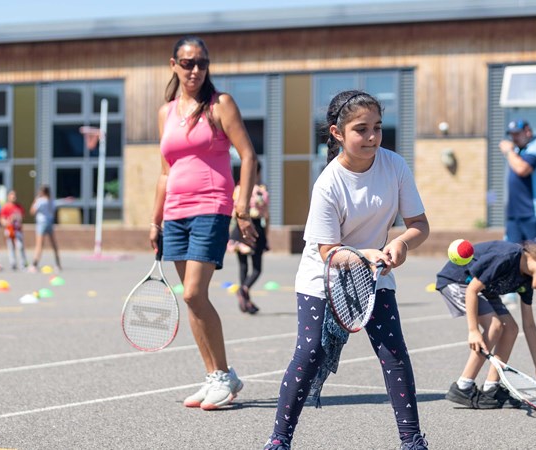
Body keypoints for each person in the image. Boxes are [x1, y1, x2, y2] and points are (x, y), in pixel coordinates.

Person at [263, 90, 430, 450]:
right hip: (323, 276)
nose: (372, 137)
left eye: (377, 128)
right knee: (310, 353)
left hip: (373, 273)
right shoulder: (328, 183)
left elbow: (419, 224)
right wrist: (366, 253)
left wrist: (401, 243)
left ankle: (412, 440)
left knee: (393, 351)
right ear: (338, 133)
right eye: (361, 129)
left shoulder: (395, 166)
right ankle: (279, 439)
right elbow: (327, 251)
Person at [149, 35, 259, 411]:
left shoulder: (220, 104)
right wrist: (155, 220)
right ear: (173, 65)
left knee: (195, 293)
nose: (194, 70)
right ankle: (214, 375)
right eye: (187, 63)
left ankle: (224, 375)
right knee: (191, 299)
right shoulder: (166, 112)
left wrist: (241, 209)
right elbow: (166, 172)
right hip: (175, 213)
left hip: (211, 207)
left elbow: (247, 156)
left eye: (201, 63)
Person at [435, 240, 536, 409]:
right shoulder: (507, 257)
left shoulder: (526, 282)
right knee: (495, 325)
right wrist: (473, 330)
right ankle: (463, 386)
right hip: (458, 281)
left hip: (485, 289)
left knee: (511, 328)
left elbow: (529, 325)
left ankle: (491, 388)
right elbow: (472, 290)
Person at [498, 119, 536, 310]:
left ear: (528, 131)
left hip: (533, 212)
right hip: (515, 212)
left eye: (518, 133)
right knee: (510, 253)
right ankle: (510, 293)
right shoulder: (518, 150)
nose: (514, 138)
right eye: (512, 134)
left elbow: (522, 169)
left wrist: (509, 151)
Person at [230, 160, 269, 315]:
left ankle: (244, 296)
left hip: (240, 227)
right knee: (257, 268)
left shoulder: (238, 189)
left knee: (244, 266)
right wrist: (267, 234)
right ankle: (244, 293)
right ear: (258, 173)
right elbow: (267, 215)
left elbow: (233, 212)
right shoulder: (261, 191)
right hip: (256, 226)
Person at [29, 185, 62, 272]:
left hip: (41, 223)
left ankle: (34, 264)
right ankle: (58, 264)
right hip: (49, 222)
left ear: (42, 192)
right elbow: (53, 213)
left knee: (39, 245)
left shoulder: (40, 201)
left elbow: (32, 211)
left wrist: (35, 200)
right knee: (53, 244)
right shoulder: (51, 201)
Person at [0, 190, 28, 271]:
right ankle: (13, 263)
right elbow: (1, 219)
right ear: (8, 197)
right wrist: (8, 222)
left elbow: (23, 217)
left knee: (20, 246)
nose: (13, 197)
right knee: (11, 247)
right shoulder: (5, 207)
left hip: (18, 230)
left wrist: (17, 218)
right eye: (12, 195)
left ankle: (23, 263)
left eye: (14, 195)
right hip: (10, 229)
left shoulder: (19, 207)